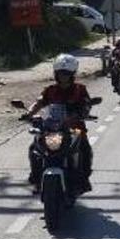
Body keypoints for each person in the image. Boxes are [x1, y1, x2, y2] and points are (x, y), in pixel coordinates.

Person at [22, 54, 94, 193]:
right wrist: (29, 113)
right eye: (61, 73)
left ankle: (83, 180)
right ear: (56, 74)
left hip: (74, 129)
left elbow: (86, 104)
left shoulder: (80, 90)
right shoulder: (50, 90)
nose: (63, 76)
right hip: (52, 128)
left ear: (72, 74)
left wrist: (84, 112)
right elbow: (39, 102)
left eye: (66, 73)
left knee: (85, 148)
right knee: (35, 148)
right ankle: (36, 178)